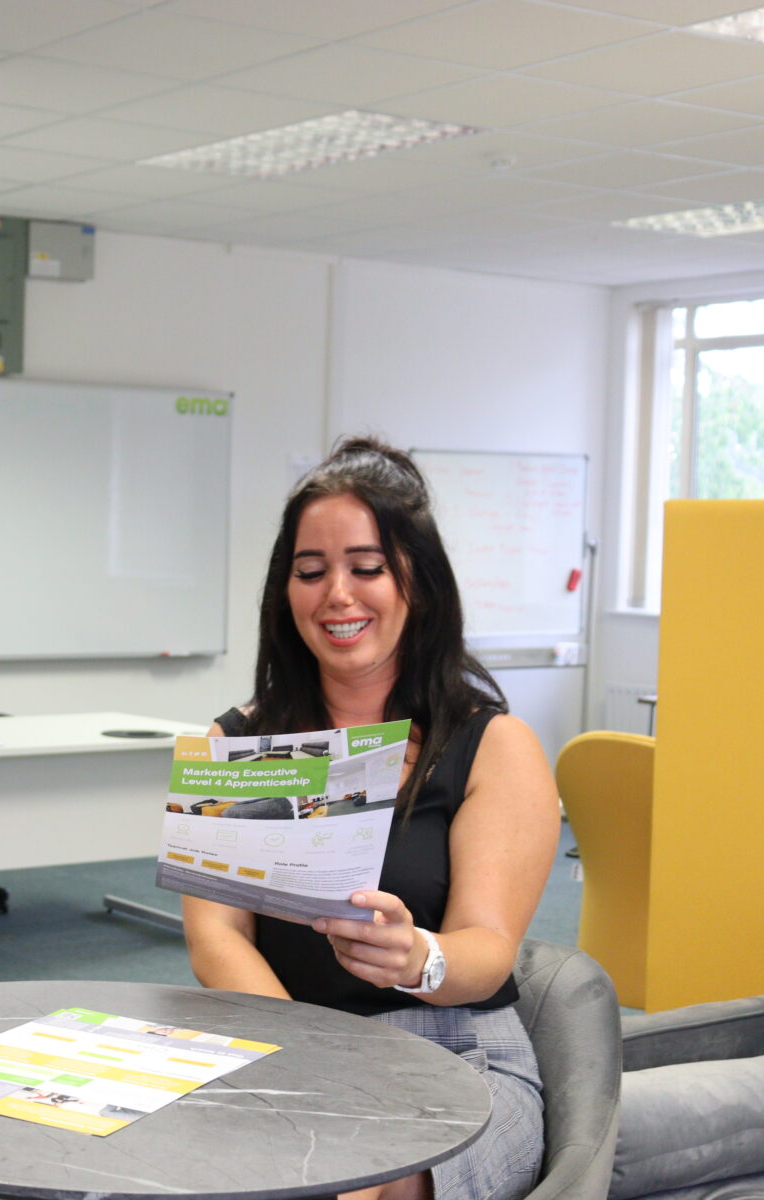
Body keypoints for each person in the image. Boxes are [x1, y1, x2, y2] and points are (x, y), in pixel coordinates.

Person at [183, 436, 560, 1200]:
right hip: (282, 1046)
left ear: (417, 580)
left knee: (347, 1181)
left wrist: (420, 956)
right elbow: (216, 937)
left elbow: (486, 949)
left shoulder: (493, 745)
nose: (337, 597)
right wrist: (307, 1062)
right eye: (311, 571)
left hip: (454, 1055)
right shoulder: (236, 745)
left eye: (367, 567)